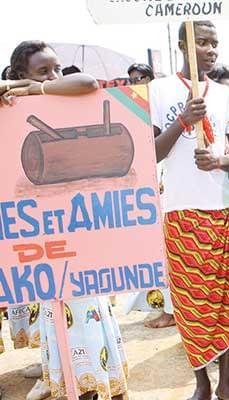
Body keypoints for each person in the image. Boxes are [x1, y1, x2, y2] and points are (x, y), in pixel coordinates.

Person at [4, 40, 126, 400]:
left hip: (79, 226)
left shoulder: (64, 95)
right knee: (56, 311)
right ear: (19, 75)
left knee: (87, 305)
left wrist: (37, 87)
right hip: (40, 230)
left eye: (57, 69)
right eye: (44, 71)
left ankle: (96, 382)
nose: (55, 76)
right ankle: (69, 381)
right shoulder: (13, 107)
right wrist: (13, 92)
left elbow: (88, 83)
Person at [149, 20, 229, 400]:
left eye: (215, 43)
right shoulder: (156, 90)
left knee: (228, 299)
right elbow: (151, 154)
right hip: (181, 211)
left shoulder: (226, 95)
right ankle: (202, 384)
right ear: (182, 46)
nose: (211, 50)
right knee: (191, 301)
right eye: (202, 43)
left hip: (223, 210)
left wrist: (219, 162)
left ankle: (226, 383)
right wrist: (183, 122)